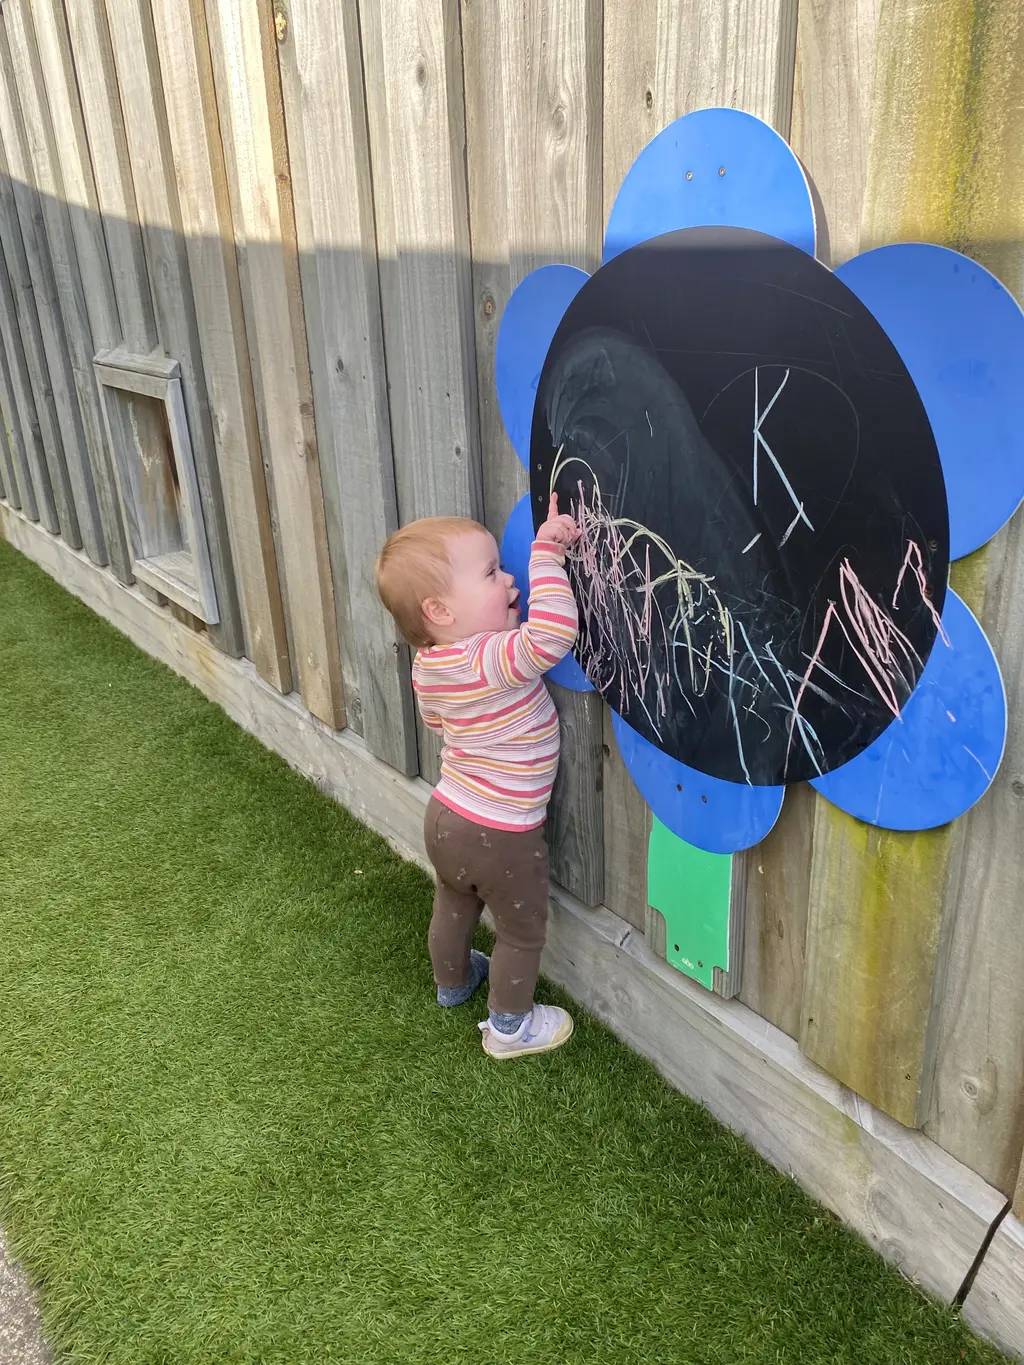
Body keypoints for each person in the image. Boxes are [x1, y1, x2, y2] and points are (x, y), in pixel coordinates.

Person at [375, 494, 581, 1058]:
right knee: (520, 930)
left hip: (447, 815)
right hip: (502, 832)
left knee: (454, 900)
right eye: (493, 573)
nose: (511, 580)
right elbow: (551, 638)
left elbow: (437, 722)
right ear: (441, 612)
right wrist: (547, 554)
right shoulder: (486, 656)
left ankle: (454, 981)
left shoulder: (430, 667)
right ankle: (510, 1027)